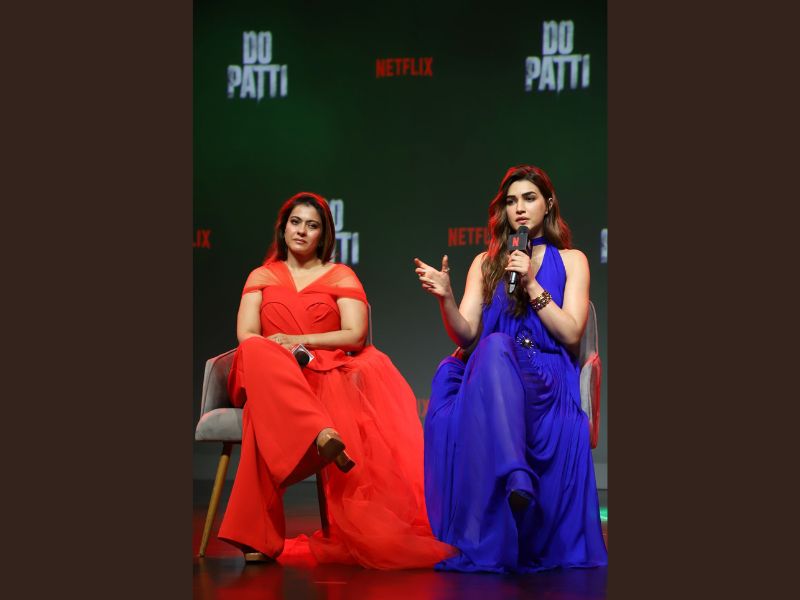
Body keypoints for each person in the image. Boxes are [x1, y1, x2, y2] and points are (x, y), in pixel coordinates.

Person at [218, 191, 455, 568]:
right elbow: (246, 334)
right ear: (283, 228)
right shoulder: (261, 276)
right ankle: (318, 431)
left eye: (312, 225)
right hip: (263, 370)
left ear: (323, 235)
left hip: (316, 373)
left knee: (258, 417)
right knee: (256, 348)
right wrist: (278, 348)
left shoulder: (340, 275)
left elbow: (355, 335)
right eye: (295, 222)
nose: (302, 231)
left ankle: (256, 538)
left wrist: (298, 340)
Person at [414, 165, 608, 573]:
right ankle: (516, 475)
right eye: (511, 201)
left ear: (548, 204)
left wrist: (532, 283)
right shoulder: (485, 264)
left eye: (529, 198)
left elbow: (571, 332)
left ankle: (515, 478)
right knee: (492, 346)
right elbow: (467, 333)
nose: (519, 208)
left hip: (544, 373)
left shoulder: (572, 261)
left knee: (496, 346)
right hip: (491, 371)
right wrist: (446, 298)